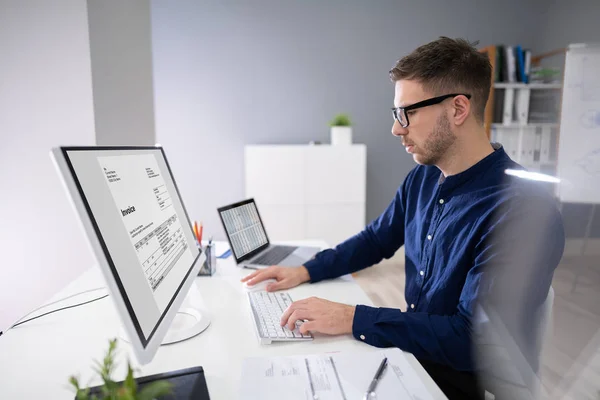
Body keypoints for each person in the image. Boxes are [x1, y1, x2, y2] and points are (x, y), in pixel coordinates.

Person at [241, 37, 565, 399]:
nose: (397, 129)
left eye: (406, 113)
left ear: (458, 109)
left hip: (448, 380)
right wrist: (305, 270)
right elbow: (377, 239)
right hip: (410, 353)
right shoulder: (425, 176)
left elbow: (472, 341)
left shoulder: (522, 210)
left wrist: (353, 318)